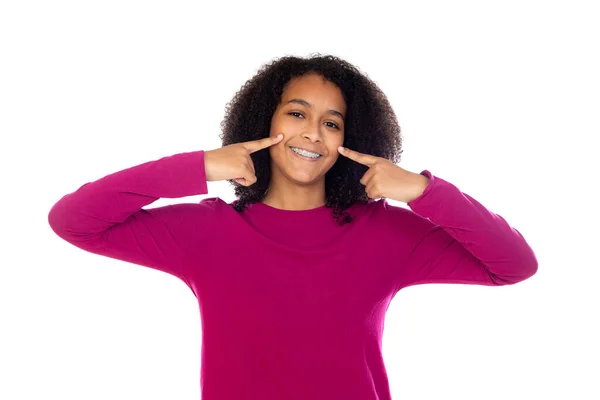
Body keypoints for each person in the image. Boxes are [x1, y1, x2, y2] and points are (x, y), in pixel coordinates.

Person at [48, 54, 538, 400]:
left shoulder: (385, 233)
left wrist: (424, 191)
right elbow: (73, 221)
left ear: (351, 138)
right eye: (297, 113)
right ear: (264, 122)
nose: (311, 132)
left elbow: (513, 265)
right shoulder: (205, 231)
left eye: (332, 122)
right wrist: (197, 166)